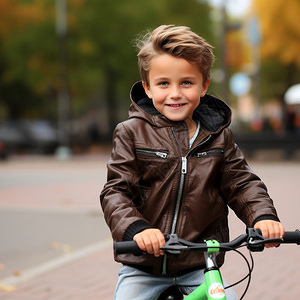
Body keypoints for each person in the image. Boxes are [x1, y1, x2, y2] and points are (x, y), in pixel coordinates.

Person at [100, 25, 285, 300]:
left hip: (199, 263)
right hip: (144, 265)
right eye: (164, 83)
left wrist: (263, 217)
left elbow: (242, 183)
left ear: (204, 86)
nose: (175, 93)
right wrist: (137, 230)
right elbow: (115, 192)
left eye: (186, 82)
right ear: (148, 88)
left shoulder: (218, 136)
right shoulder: (131, 132)